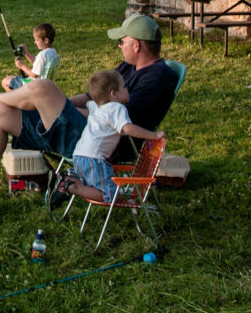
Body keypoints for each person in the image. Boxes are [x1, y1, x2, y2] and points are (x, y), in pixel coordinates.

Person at [0, 14, 177, 217]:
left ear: (136, 45)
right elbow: (91, 98)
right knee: (1, 113)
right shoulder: (129, 67)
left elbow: (115, 125)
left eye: (122, 42)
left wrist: (53, 103)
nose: (119, 46)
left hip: (100, 148)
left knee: (44, 88)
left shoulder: (157, 78)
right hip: (88, 132)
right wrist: (56, 104)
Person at [46, 69, 166, 210]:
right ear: (113, 93)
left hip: (79, 156)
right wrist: (153, 135)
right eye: (124, 87)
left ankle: (66, 179)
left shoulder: (97, 107)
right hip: (94, 159)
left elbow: (88, 104)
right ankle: (70, 187)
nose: (128, 89)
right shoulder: (117, 108)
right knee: (111, 195)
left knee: (94, 184)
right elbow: (128, 129)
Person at [1, 22, 60, 91]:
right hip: (44, 83)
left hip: (34, 85)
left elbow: (34, 74)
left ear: (46, 40)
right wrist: (26, 53)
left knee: (5, 82)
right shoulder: (52, 52)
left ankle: (17, 100)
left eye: (37, 40)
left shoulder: (42, 55)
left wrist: (22, 66)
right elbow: (37, 62)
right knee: (11, 77)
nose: (35, 42)